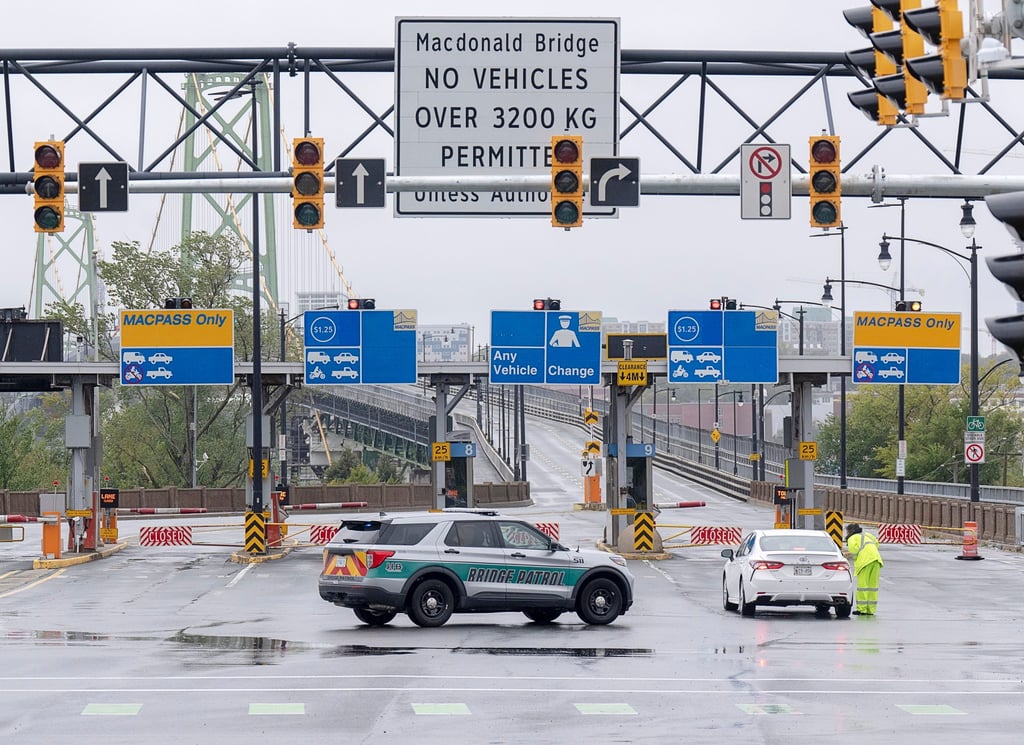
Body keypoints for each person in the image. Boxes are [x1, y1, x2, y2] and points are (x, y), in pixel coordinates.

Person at [845, 523, 884, 616]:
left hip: (865, 562)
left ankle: (861, 609)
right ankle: (871, 610)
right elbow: (877, 544)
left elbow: (854, 552)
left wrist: (848, 555)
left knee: (863, 586)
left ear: (850, 531)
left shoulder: (852, 538)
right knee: (873, 587)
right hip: (876, 559)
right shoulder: (868, 535)